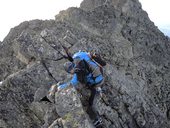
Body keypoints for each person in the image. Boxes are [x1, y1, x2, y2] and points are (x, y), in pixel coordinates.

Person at [57, 50, 104, 127]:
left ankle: (97, 121)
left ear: (69, 70)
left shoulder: (77, 71)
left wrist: (60, 87)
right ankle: (97, 119)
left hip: (95, 85)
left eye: (70, 71)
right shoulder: (79, 60)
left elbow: (72, 83)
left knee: (90, 104)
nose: (72, 72)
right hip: (99, 76)